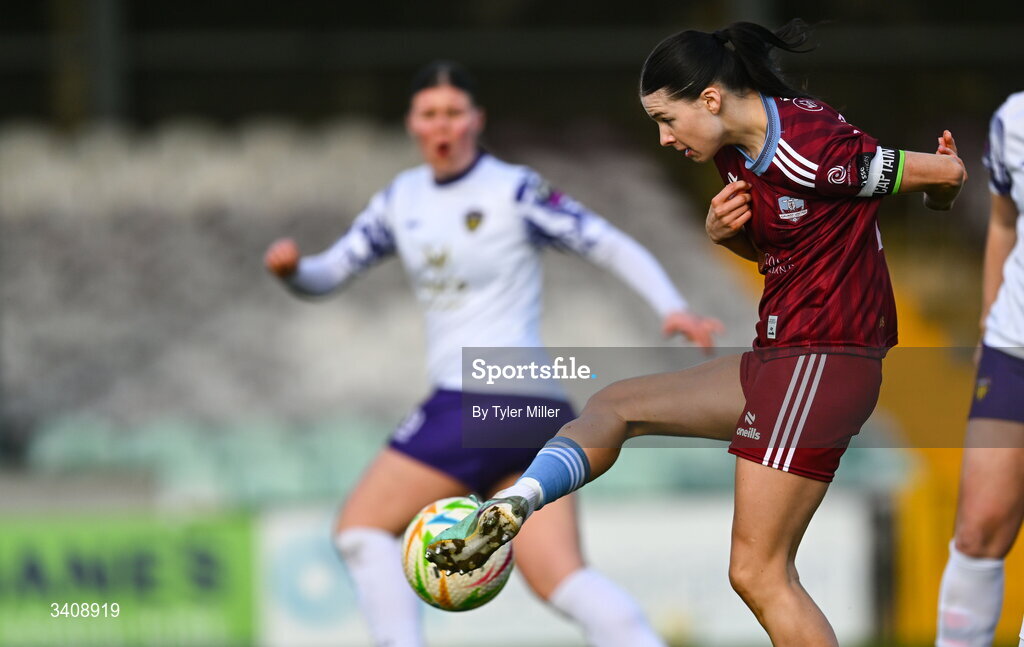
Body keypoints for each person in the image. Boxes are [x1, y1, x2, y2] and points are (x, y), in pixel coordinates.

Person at [426, 21, 968, 646]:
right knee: (617, 406)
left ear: (710, 99)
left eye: (666, 118)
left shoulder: (811, 146)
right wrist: (725, 235)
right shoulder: (737, 151)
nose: (662, 137)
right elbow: (791, 247)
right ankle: (518, 501)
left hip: (822, 359)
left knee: (759, 573)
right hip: (784, 357)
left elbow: (941, 174)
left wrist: (940, 189)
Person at [264, 61, 722, 647]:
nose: (443, 124)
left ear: (476, 120)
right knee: (561, 579)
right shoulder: (400, 200)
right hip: (536, 411)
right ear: (412, 122)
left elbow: (602, 239)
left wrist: (671, 304)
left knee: (360, 530)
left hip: (476, 398)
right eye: (430, 113)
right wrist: (294, 271)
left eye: (455, 112)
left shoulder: (512, 188)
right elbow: (331, 271)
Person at [935, 92, 1024, 647]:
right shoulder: (1013, 119)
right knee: (977, 529)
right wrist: (988, 322)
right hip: (1012, 348)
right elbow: (1003, 224)